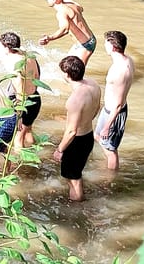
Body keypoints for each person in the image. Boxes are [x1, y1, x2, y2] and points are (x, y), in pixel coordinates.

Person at [52, 56, 101, 202]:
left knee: (73, 179)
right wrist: (85, 121)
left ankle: (77, 209)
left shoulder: (75, 99)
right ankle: (79, 202)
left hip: (76, 141)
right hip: (88, 136)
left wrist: (59, 149)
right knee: (76, 174)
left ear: (67, 75)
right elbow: (98, 107)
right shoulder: (94, 85)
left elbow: (72, 131)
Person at [95, 30, 134, 170]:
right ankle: (109, 166)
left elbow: (118, 104)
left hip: (114, 112)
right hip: (109, 109)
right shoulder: (126, 60)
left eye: (106, 43)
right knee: (98, 137)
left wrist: (107, 126)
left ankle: (109, 180)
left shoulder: (121, 71)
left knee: (110, 150)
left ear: (113, 47)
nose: (104, 45)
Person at [0, 32, 42, 149]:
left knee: (17, 137)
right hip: (35, 98)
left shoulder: (12, 63)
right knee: (28, 130)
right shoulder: (29, 57)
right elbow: (37, 76)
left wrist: (18, 114)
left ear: (7, 47)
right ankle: (35, 154)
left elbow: (19, 89)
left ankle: (24, 167)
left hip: (22, 103)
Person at [38, 0, 97, 65]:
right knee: (64, 66)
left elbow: (65, 29)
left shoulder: (61, 13)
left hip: (85, 45)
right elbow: (81, 8)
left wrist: (50, 38)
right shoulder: (72, 5)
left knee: (75, 73)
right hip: (88, 40)